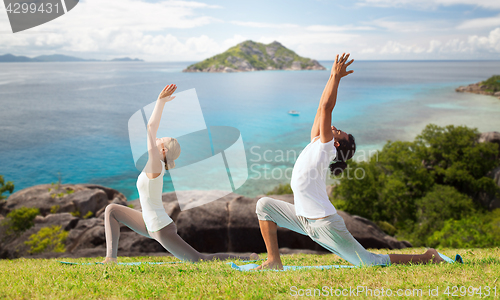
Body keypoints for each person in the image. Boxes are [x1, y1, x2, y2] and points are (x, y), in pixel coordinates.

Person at [254, 54, 444, 270]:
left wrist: (336, 77)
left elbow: (327, 108)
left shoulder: (326, 149)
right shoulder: (316, 142)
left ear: (336, 145)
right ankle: (273, 261)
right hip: (304, 218)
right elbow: (320, 108)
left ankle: (428, 257)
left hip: (324, 224)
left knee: (370, 263)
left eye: (339, 132)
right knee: (264, 205)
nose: (334, 128)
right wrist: (331, 77)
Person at [101, 84, 258, 263]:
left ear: (163, 151)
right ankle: (110, 259)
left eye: (162, 140)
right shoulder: (153, 165)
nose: (158, 138)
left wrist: (160, 102)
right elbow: (152, 131)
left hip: (160, 227)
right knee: (112, 210)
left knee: (199, 260)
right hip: (147, 222)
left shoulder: (155, 165)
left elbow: (150, 128)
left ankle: (248, 257)